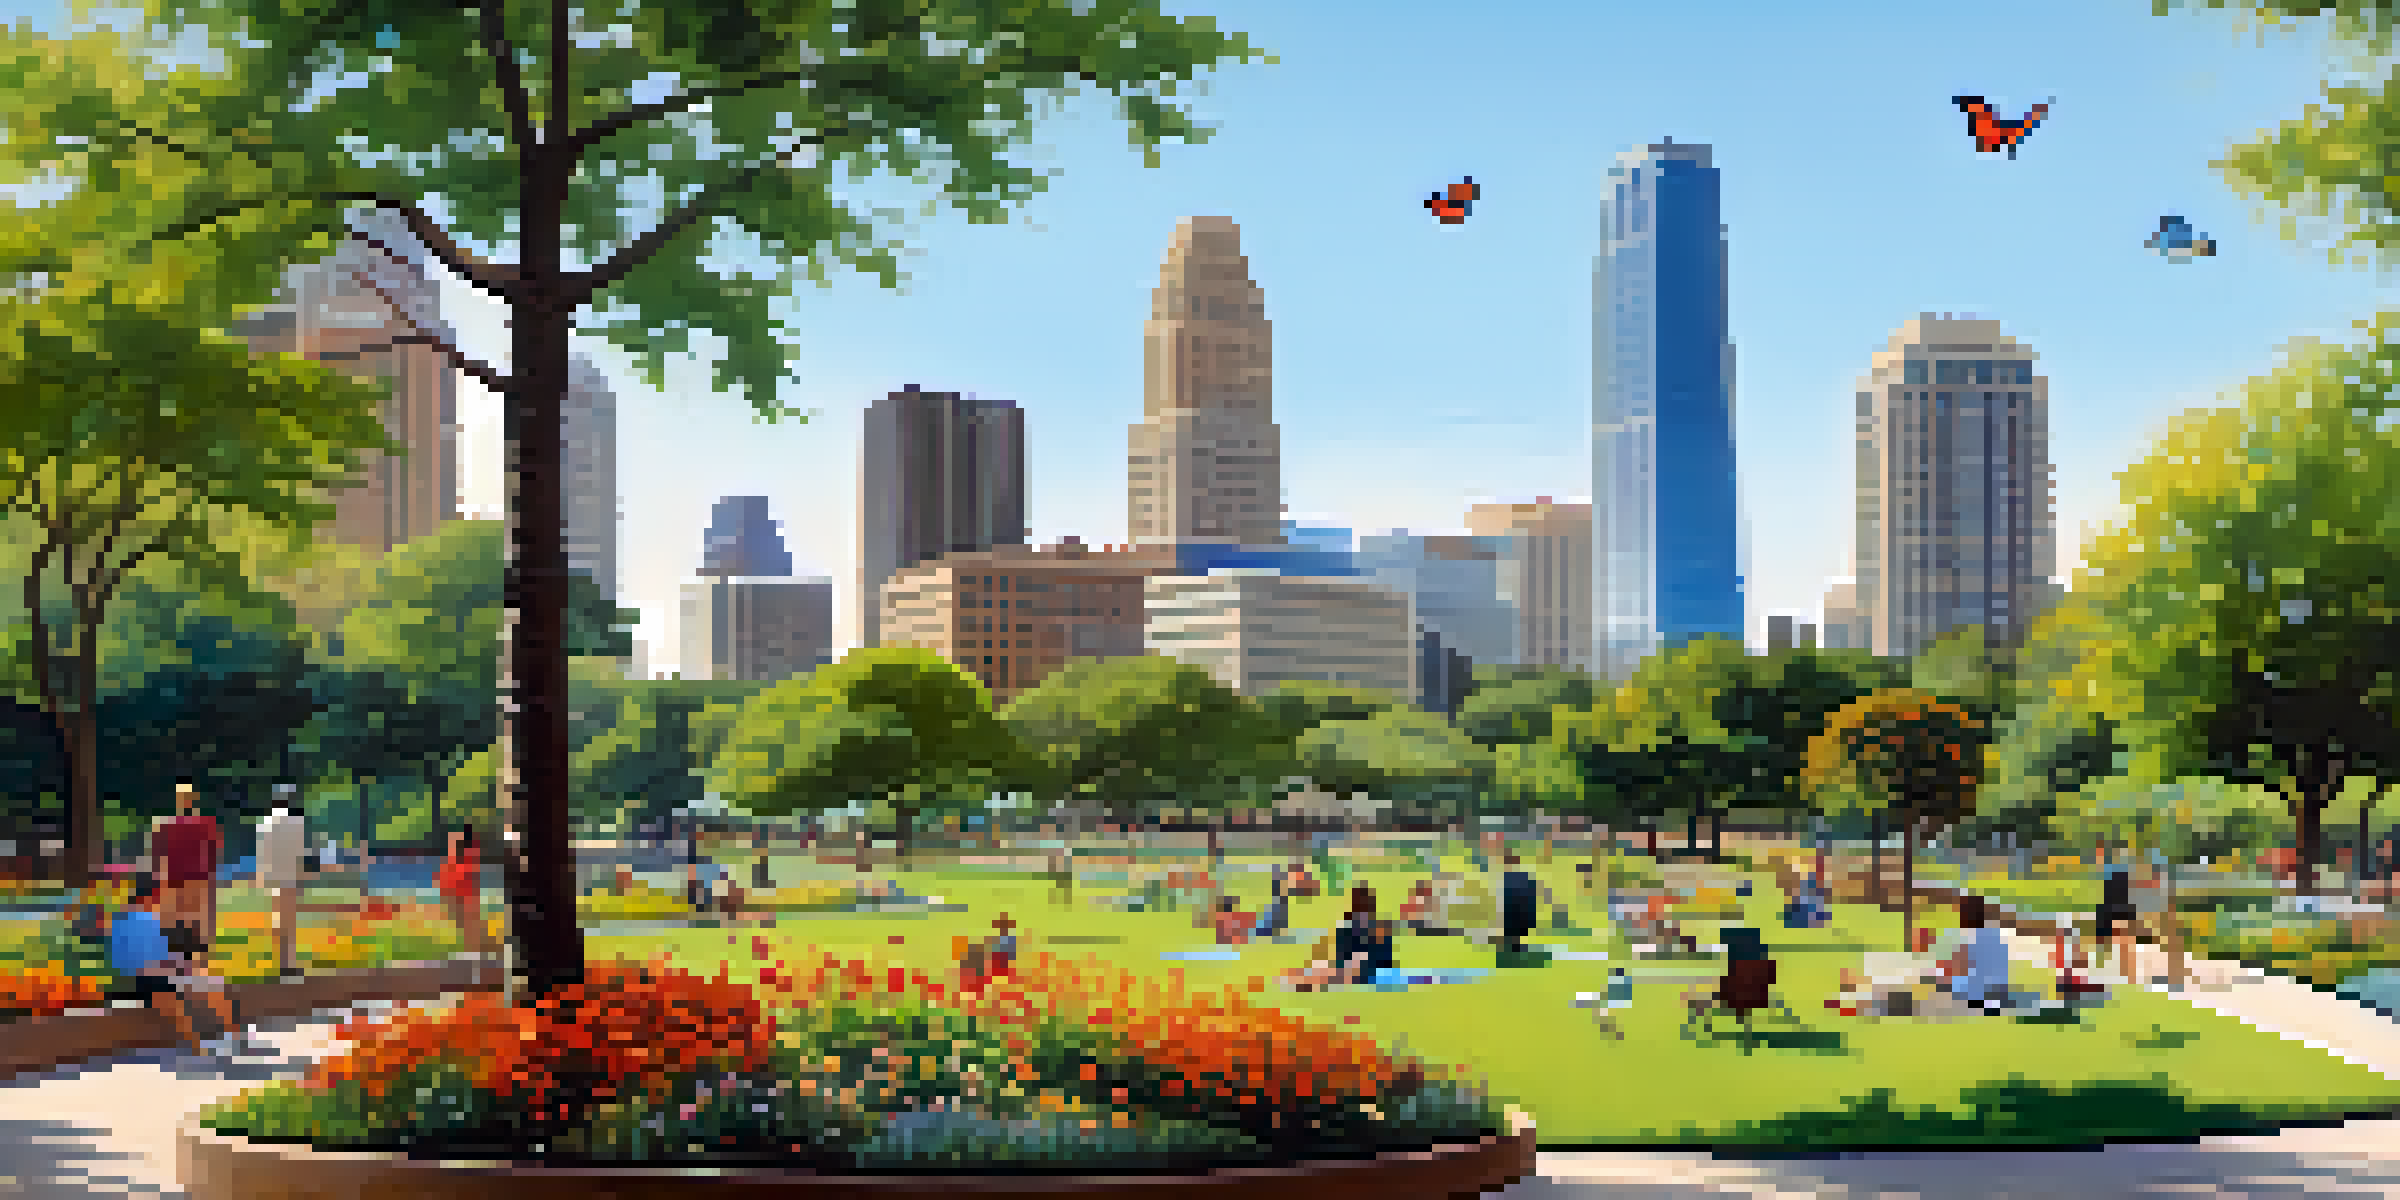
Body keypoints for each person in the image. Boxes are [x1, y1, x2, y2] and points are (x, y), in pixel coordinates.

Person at [105, 876, 249, 1061]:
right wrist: (169, 967)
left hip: (158, 972)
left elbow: (160, 953)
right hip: (139, 979)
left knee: (205, 979)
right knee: (176, 996)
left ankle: (231, 1035)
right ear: (146, 897)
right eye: (156, 896)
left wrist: (179, 964)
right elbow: (126, 962)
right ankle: (204, 1044)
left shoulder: (147, 918)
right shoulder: (130, 921)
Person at [151, 782, 222, 953]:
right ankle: (181, 945)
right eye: (183, 798)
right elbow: (159, 852)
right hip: (178, 875)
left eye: (187, 798)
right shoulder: (167, 825)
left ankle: (193, 945)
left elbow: (213, 850)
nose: (185, 801)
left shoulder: (203, 824)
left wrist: (210, 873)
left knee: (193, 912)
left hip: (194, 875)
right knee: (181, 912)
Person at [1932, 895, 2017, 1013]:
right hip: (1999, 994)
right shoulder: (1996, 935)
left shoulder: (1970, 937)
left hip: (1976, 996)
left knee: (1939, 973)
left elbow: (1960, 966)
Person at [255, 798, 309, 979]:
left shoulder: (265, 823)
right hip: (290, 878)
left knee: (278, 923)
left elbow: (262, 854)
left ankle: (281, 963)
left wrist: (261, 879)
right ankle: (289, 965)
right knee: (289, 924)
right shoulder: (295, 823)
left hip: (274, 878)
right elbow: (299, 853)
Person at [438, 825, 491, 963]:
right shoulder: (462, 857)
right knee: (464, 921)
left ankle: (476, 950)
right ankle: (475, 949)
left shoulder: (468, 855)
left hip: (464, 890)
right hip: (460, 889)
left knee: (468, 921)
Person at [2095, 865, 2137, 981]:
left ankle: (2120, 971)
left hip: (2115, 909)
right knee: (2121, 943)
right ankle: (2125, 972)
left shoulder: (2110, 871)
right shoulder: (2116, 872)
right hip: (2118, 909)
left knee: (2113, 942)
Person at [1499, 855, 1539, 955]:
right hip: (1517, 911)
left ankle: (1514, 952)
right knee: (1516, 934)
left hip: (1515, 911)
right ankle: (1514, 951)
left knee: (1515, 933)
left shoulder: (1508, 877)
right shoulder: (1523, 877)